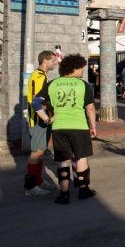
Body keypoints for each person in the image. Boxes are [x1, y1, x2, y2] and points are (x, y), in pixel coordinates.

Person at [32, 54, 97, 204]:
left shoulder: (53, 83)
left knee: (62, 160)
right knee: (81, 158)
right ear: (74, 68)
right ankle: (83, 190)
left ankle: (64, 194)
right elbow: (90, 108)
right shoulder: (83, 85)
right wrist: (93, 126)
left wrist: (47, 119)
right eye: (81, 68)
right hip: (79, 126)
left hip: (59, 127)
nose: (83, 71)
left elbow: (36, 103)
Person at [24, 50, 58, 196]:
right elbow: (38, 102)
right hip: (39, 120)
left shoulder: (41, 75)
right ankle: (30, 187)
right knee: (36, 152)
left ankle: (38, 181)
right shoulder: (39, 77)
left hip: (42, 120)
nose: (55, 63)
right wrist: (52, 110)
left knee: (40, 152)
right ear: (45, 61)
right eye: (53, 61)